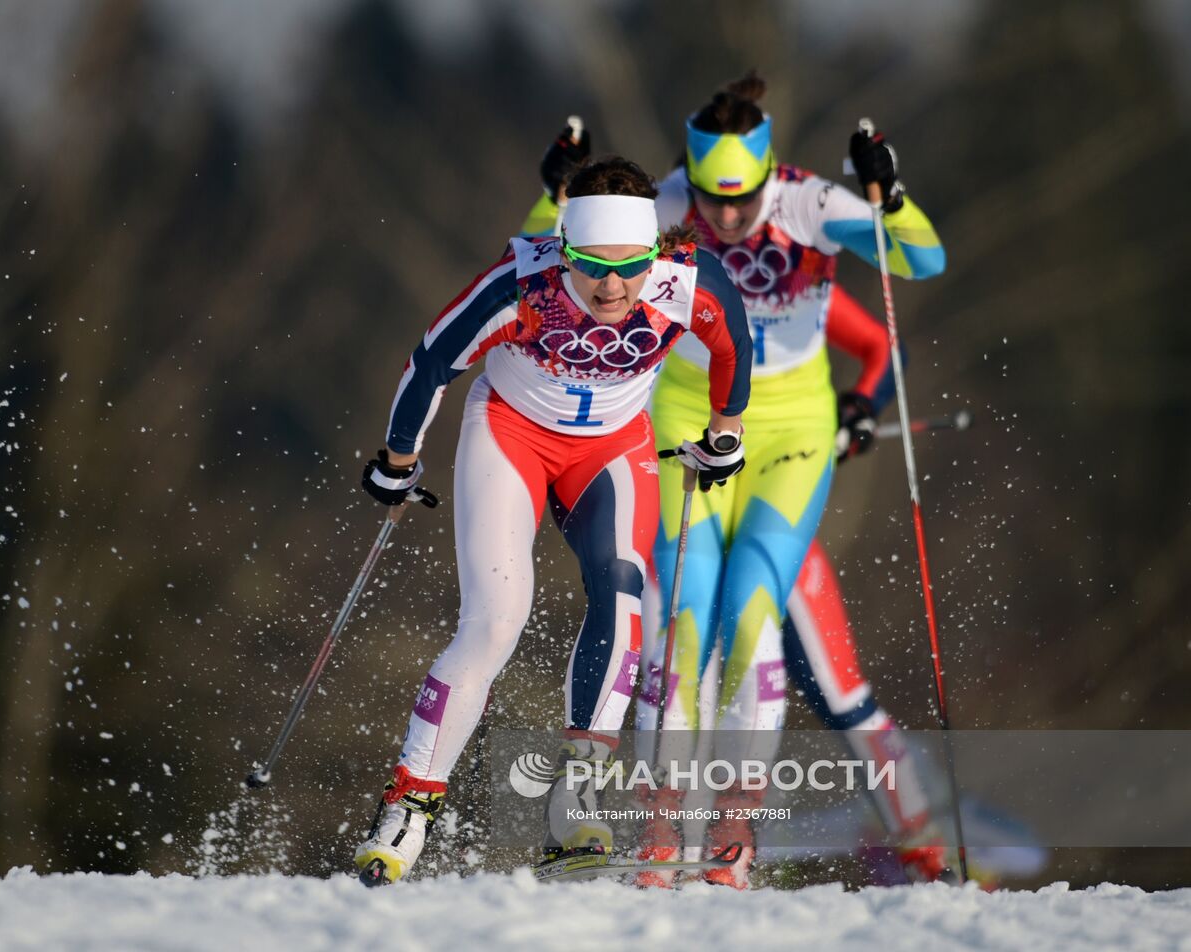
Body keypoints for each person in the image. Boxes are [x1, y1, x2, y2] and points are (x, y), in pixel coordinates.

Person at [532, 71, 946, 888]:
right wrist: (557, 193)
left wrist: (890, 196)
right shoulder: (665, 204)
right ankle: (659, 832)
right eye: (711, 204)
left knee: (753, 611)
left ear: (766, 172)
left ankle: (731, 837)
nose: (724, 218)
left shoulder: (813, 204)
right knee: (681, 616)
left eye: (742, 199)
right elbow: (549, 251)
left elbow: (924, 261)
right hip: (690, 420)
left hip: (791, 431)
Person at [352, 156, 753, 886]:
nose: (610, 286)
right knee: (496, 621)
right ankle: (408, 808)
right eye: (590, 266)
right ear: (563, 249)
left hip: (613, 445)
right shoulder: (518, 286)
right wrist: (398, 460)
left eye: (629, 267)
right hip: (510, 436)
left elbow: (734, 347)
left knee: (623, 596)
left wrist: (726, 434)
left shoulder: (686, 282)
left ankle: (578, 798)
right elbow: (432, 362)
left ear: (653, 254)